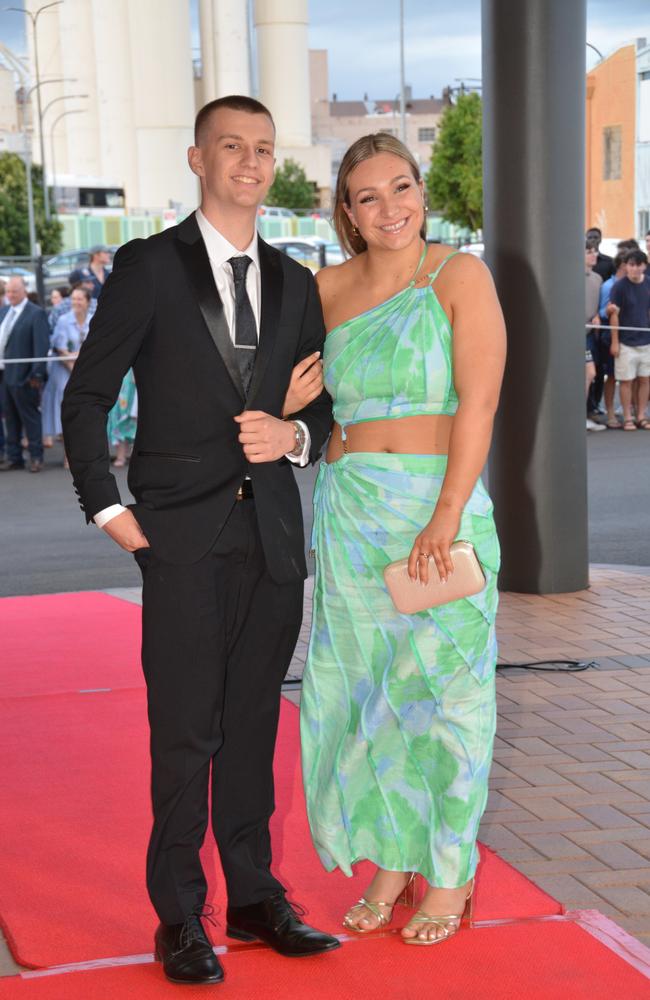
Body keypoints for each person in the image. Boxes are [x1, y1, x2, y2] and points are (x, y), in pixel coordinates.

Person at [62, 95, 337, 987]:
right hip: (178, 540)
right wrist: (107, 509)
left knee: (255, 727)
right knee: (186, 734)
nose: (251, 163)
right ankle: (181, 915)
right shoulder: (148, 266)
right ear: (198, 159)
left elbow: (321, 407)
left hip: (274, 543)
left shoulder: (297, 282)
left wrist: (293, 438)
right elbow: (87, 397)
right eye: (233, 147)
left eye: (263, 149)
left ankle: (254, 898)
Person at [301, 133, 505, 946]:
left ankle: (450, 873)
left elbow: (480, 404)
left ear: (422, 190)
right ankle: (389, 859)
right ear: (346, 212)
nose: (391, 208)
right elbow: (304, 405)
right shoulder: (325, 289)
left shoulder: (460, 274)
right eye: (368, 196)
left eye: (402, 187)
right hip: (352, 513)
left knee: (451, 696)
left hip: (437, 510)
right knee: (369, 698)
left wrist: (449, 510)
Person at [0, 276, 50, 472]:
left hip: (25, 377)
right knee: (10, 418)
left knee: (30, 418)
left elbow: (41, 347)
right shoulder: (4, 311)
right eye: (8, 292)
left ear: (24, 291)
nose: (10, 295)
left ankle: (36, 457)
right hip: (4, 376)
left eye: (14, 291)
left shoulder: (36, 313)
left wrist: (36, 375)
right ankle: (14, 458)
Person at [41, 287, 91, 461]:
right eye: (73, 299)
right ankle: (68, 456)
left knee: (85, 414)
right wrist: (75, 370)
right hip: (64, 373)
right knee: (66, 414)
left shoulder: (92, 321)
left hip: (85, 372)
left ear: (87, 302)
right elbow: (61, 350)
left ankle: (86, 454)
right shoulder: (63, 320)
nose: (76, 302)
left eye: (80, 299)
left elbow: (92, 349)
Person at [607, 249, 650, 430]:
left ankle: (641, 415)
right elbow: (614, 314)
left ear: (644, 266)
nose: (633, 269)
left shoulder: (648, 284)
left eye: (637, 265)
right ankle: (627, 417)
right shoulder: (619, 286)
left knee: (645, 380)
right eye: (630, 265)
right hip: (626, 342)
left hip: (646, 341)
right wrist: (615, 341)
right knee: (625, 381)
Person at [598, 252, 626, 428]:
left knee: (632, 377)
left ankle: (627, 410)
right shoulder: (610, 286)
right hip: (611, 336)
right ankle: (609, 412)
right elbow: (601, 311)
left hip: (631, 337)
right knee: (612, 376)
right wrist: (609, 312)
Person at [585, 244, 605, 432]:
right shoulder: (571, 277)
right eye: (589, 252)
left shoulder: (598, 278)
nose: (594, 255)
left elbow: (597, 305)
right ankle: (579, 415)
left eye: (594, 251)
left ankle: (583, 413)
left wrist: (597, 315)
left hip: (590, 334)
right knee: (589, 373)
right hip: (576, 334)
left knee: (590, 373)